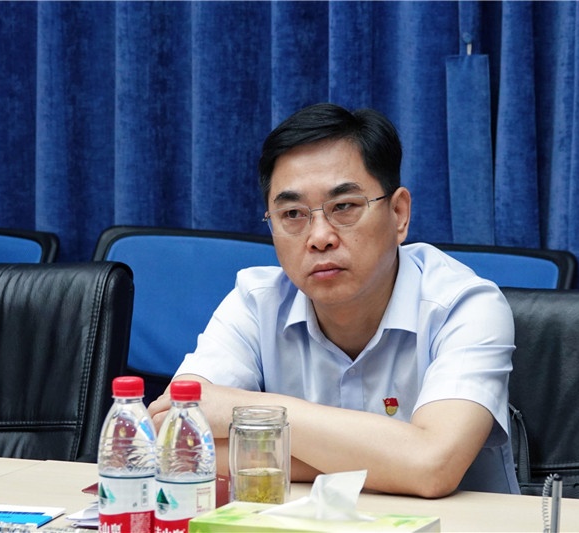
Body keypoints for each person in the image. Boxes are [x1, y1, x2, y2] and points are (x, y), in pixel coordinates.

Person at [148, 103, 519, 498]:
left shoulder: (465, 306)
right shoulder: (257, 303)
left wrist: (249, 413)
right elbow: (174, 438)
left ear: (398, 214)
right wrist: (389, 462)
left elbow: (431, 466)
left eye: (344, 207)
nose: (319, 237)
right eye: (293, 213)